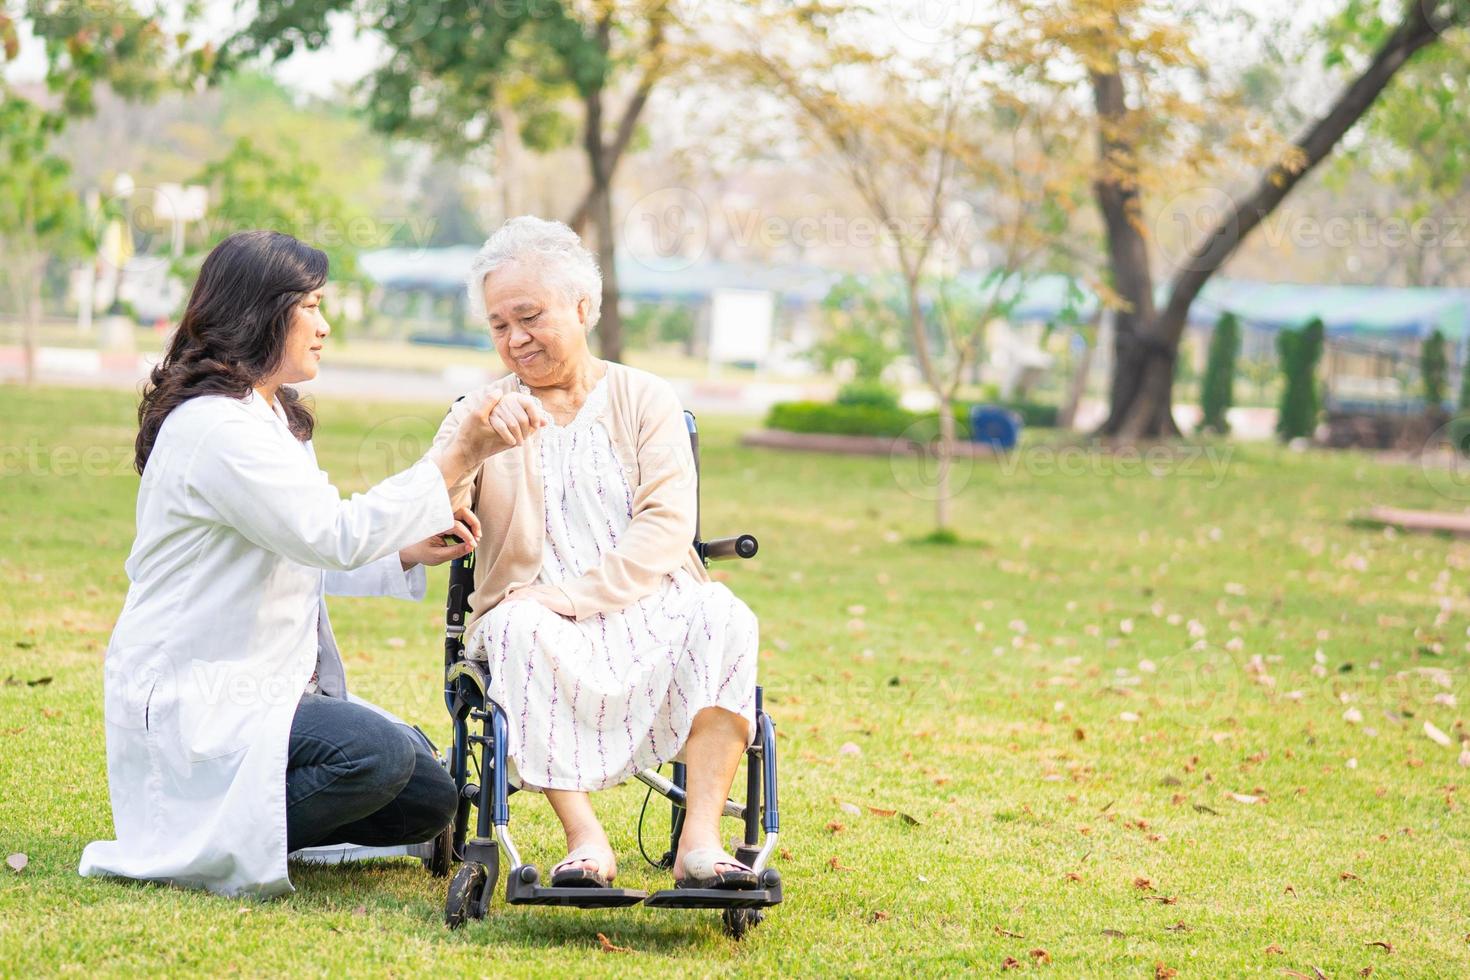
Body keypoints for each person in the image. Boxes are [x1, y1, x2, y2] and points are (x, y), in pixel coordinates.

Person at [78, 230, 546, 898]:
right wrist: (458, 455)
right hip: (201, 695)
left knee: (430, 799)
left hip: (262, 692)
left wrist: (405, 551)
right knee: (374, 754)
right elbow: (331, 535)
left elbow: (299, 549)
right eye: (312, 308)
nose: (325, 328)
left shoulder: (264, 415)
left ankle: (248, 822)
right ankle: (204, 839)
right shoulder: (217, 428)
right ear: (261, 313)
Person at [433, 216, 760, 892]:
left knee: (724, 614)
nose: (515, 339)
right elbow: (431, 517)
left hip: (643, 600)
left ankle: (700, 842)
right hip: (532, 612)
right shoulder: (481, 410)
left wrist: (578, 595)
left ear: (582, 308)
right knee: (519, 624)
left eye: (530, 316)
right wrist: (470, 444)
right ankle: (585, 840)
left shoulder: (644, 398)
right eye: (499, 325)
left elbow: (668, 524)